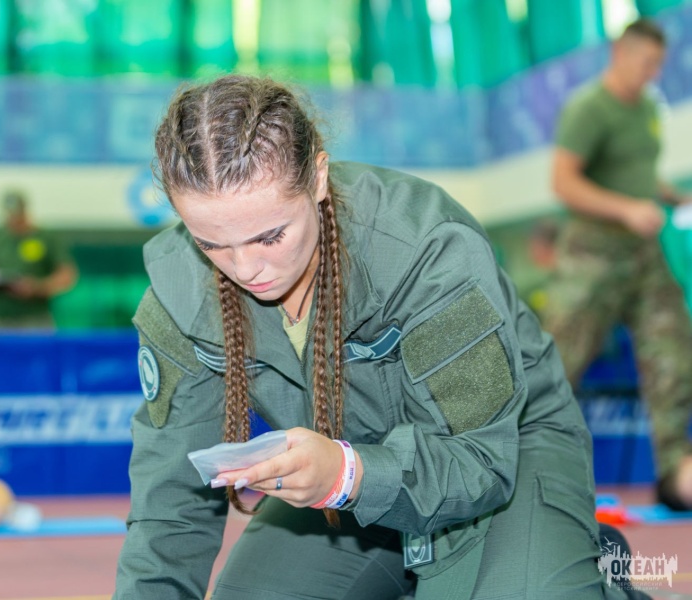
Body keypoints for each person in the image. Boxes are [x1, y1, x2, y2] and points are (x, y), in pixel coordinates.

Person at [114, 75, 640, 599]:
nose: (245, 268)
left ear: (318, 178)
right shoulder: (178, 292)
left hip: (499, 451)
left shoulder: (424, 249)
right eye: (211, 244)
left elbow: (480, 459)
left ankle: (570, 561)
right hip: (345, 467)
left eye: (270, 236)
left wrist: (346, 475)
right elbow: (169, 500)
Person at [544, 18, 692, 511]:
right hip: (593, 256)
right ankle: (527, 467)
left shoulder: (647, 108)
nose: (653, 72)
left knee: (674, 353)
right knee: (558, 363)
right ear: (620, 54)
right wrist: (626, 208)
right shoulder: (588, 108)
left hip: (644, 256)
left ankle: (676, 473)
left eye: (659, 64)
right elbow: (564, 183)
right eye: (647, 62)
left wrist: (670, 196)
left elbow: (639, 175)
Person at [0, 189, 77, 330]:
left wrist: (36, 287)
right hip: (1, 319)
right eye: (9, 214)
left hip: (35, 319)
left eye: (17, 214)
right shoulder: (1, 238)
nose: (13, 219)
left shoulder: (45, 237)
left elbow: (66, 276)